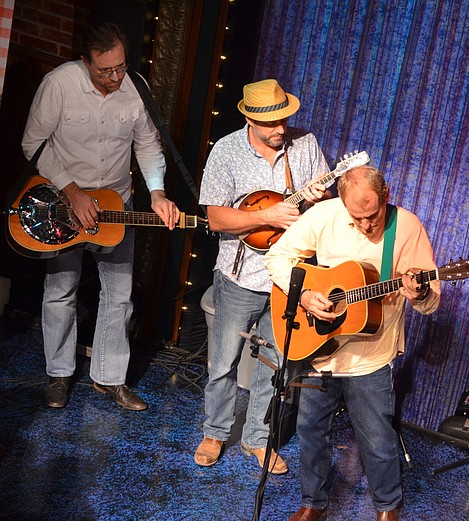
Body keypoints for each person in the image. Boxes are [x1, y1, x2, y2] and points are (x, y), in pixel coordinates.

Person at [264, 166, 440, 521]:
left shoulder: (407, 228)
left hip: (370, 358)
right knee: (311, 432)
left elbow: (430, 297)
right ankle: (312, 502)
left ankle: (386, 507)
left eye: (372, 215)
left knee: (376, 438)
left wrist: (420, 293)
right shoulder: (325, 214)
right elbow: (276, 258)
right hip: (319, 351)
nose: (364, 225)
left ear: (386, 195)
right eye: (355, 217)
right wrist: (307, 292)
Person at [21, 22, 181, 411]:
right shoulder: (60, 84)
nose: (114, 77)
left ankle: (110, 379)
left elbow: (147, 145)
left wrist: (157, 192)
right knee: (61, 290)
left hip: (116, 205)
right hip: (64, 202)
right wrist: (72, 192)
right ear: (84, 62)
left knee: (120, 294)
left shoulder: (135, 88)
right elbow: (32, 144)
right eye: (104, 70)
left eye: (120, 67)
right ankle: (58, 374)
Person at [193, 79, 330, 474]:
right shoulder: (226, 151)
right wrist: (264, 217)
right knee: (224, 362)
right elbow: (216, 218)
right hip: (240, 276)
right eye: (271, 122)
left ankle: (256, 439)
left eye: (284, 119)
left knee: (275, 363)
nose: (280, 128)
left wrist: (317, 203)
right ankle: (215, 431)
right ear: (250, 119)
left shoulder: (305, 146)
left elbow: (321, 208)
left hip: (289, 280)